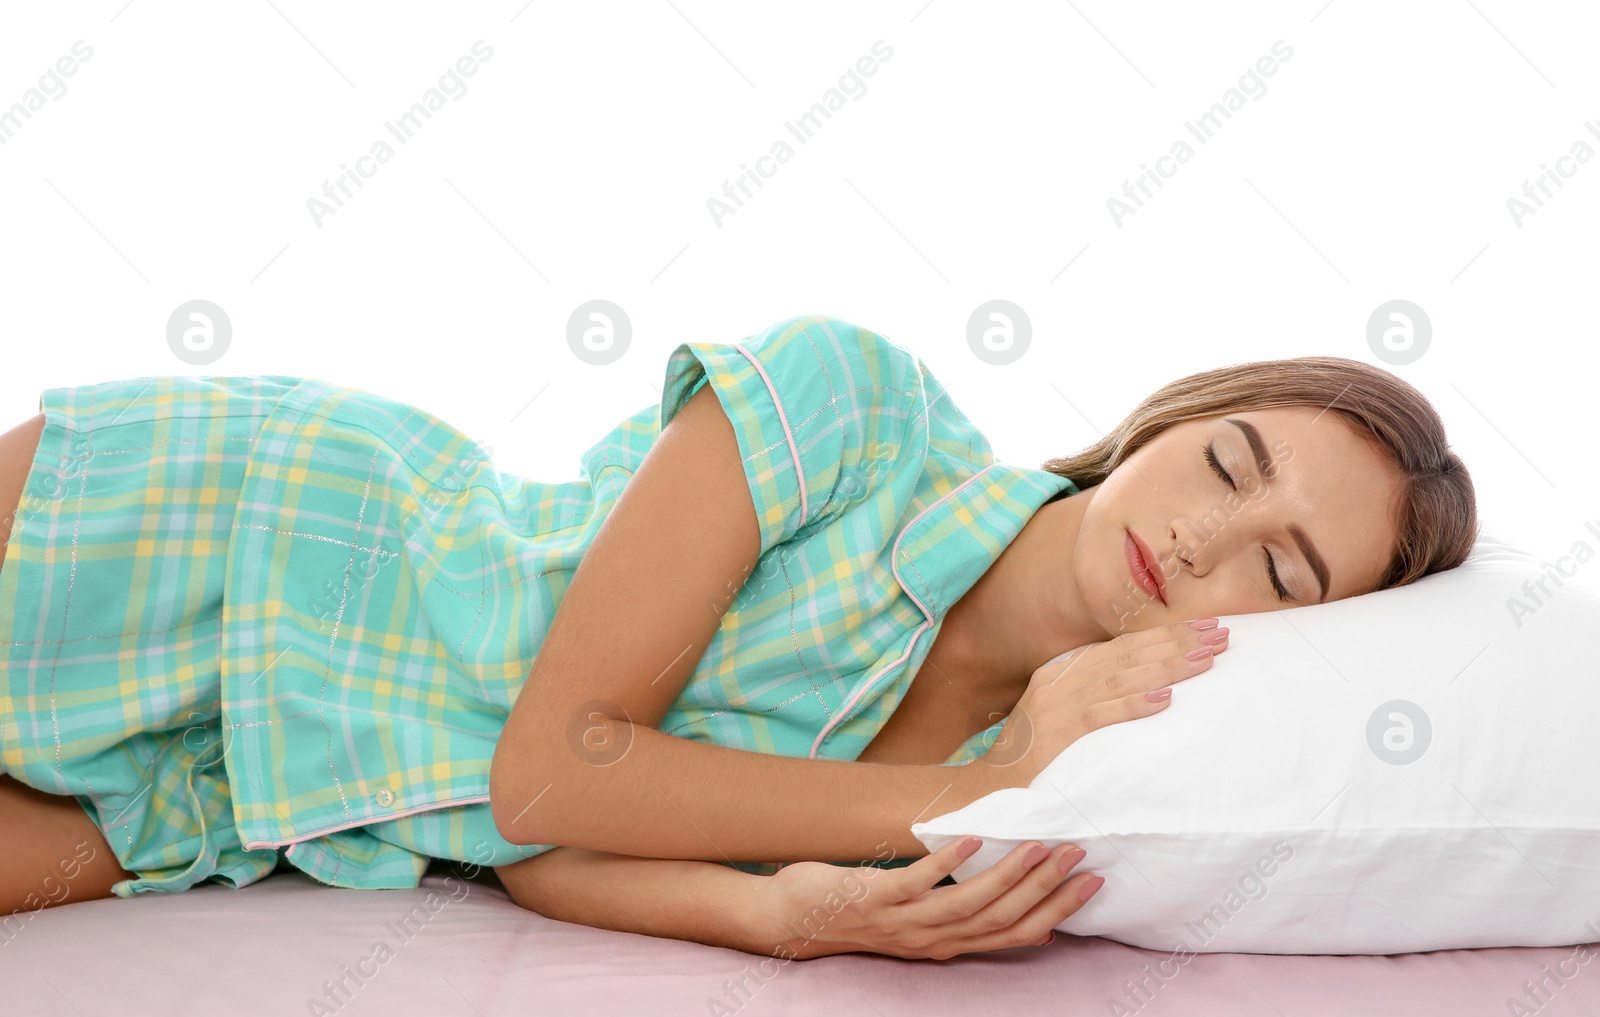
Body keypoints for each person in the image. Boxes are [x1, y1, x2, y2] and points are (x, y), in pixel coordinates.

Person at [0, 314, 1476, 962]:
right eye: (1226, 463)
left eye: (1280, 573)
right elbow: (553, 771)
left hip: (268, 800)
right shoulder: (852, 408)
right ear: (1161, 422)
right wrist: (961, 795)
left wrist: (785, 914)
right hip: (267, 535)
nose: (1206, 542)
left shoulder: (1042, 768)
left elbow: (537, 852)